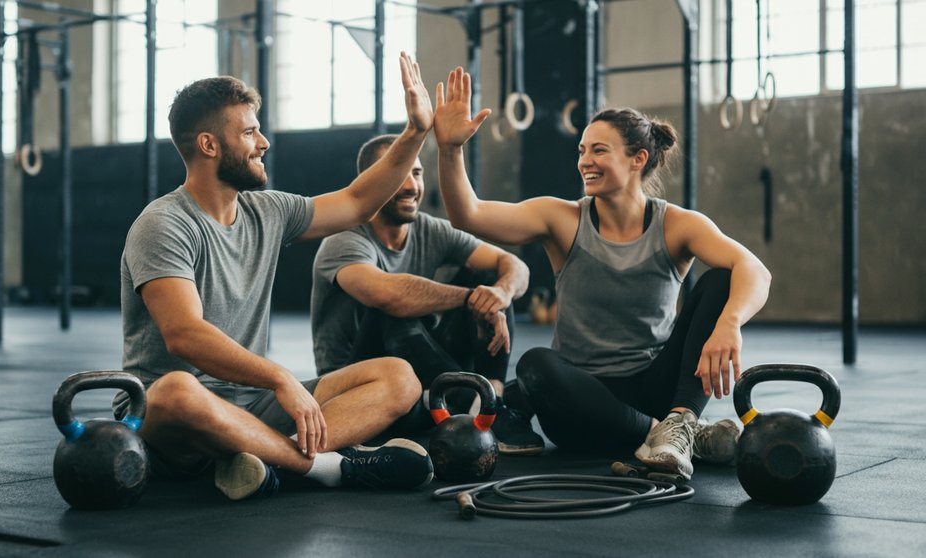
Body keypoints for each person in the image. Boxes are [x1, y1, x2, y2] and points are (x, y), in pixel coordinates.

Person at [117, 53, 437, 502]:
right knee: (174, 392)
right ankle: (331, 467)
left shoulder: (267, 210)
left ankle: (264, 463)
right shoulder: (164, 224)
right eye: (249, 132)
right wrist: (280, 379)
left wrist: (416, 133)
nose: (263, 142)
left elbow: (358, 202)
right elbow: (185, 335)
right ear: (209, 145)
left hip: (254, 406)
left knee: (400, 377)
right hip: (177, 424)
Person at [432, 67, 772, 479]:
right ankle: (678, 435)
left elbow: (754, 269)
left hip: (653, 386)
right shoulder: (562, 218)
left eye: (598, 150)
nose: (584, 162)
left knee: (722, 279)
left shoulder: (677, 224)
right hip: (581, 408)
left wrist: (730, 323)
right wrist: (450, 150)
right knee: (536, 364)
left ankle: (679, 422)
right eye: (581, 150)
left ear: (638, 159)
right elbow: (468, 215)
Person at [309, 133, 543, 454]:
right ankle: (477, 402)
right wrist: (470, 297)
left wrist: (498, 294)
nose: (411, 185)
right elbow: (388, 295)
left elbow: (515, 265)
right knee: (393, 306)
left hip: (423, 372)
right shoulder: (344, 240)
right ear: (369, 181)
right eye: (398, 172)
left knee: (492, 279)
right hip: (360, 387)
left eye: (416, 173)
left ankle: (492, 399)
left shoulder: (430, 229)